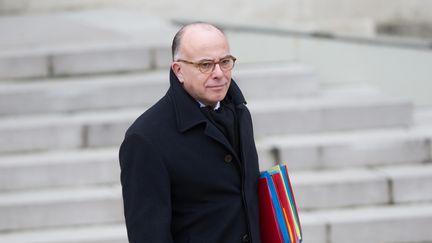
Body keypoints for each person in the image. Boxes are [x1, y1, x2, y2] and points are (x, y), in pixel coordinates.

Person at [119, 22, 261, 243]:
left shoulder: (240, 113)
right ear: (178, 70)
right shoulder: (145, 138)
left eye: (225, 62)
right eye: (205, 65)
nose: (219, 74)